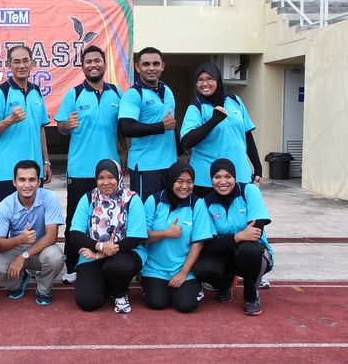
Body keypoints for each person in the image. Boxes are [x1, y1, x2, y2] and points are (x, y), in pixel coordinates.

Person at [55, 45, 124, 285]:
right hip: (80, 169)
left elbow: (122, 128)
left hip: (110, 171)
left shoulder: (117, 93)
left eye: (97, 60)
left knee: (112, 217)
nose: (93, 65)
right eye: (88, 61)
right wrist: (67, 125)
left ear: (104, 64)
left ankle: (110, 259)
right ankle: (72, 265)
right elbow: (60, 126)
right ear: (83, 66)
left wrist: (124, 154)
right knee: (76, 219)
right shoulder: (73, 94)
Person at [0, 45, 51, 242]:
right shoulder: (1, 93)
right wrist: (9, 120)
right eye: (16, 61)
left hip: (33, 172)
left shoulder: (37, 92)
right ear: (9, 65)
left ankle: (30, 259)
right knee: (1, 225)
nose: (21, 65)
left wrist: (46, 162)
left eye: (25, 61)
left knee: (34, 221)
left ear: (32, 63)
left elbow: (40, 128)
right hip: (7, 173)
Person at [192, 159, 273, 316]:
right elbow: (209, 244)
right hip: (225, 255)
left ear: (235, 177)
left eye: (228, 176)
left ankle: (251, 295)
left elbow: (256, 232)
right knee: (201, 266)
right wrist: (239, 236)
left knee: (247, 250)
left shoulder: (249, 191)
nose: (223, 182)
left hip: (254, 253)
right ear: (211, 180)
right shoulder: (205, 203)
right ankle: (225, 284)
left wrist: (226, 241)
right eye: (217, 177)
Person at [70, 159, 148, 314]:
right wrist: (100, 247)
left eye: (111, 177)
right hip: (92, 254)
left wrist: (101, 254)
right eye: (101, 178)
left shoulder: (132, 199)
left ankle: (120, 292)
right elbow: (75, 234)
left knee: (117, 267)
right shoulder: (88, 198)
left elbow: (135, 238)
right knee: (87, 301)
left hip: (125, 253)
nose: (106, 182)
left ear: (119, 177)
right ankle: (107, 284)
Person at [139, 161, 212, 313]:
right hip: (155, 268)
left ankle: (193, 287)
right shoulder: (154, 200)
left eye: (189, 182)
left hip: (183, 268)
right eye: (179, 181)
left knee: (186, 305)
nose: (185, 186)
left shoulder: (197, 204)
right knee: (157, 302)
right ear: (171, 180)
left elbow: (198, 242)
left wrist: (183, 273)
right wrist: (166, 233)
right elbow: (142, 237)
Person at [180, 63, 262, 197]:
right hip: (207, 179)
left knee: (241, 210)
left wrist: (258, 167)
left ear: (217, 80)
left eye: (209, 79)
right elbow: (186, 142)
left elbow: (247, 135)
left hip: (240, 174)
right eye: (200, 80)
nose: (204, 83)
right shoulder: (196, 107)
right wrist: (213, 121)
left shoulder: (235, 100)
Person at [0, 160, 65, 306]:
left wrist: (23, 257)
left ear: (39, 182)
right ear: (14, 182)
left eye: (32, 179)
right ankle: (18, 280)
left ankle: (43, 289)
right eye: (22, 180)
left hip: (42, 247)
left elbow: (51, 236)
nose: (27, 185)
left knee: (56, 257)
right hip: (16, 246)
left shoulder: (50, 198)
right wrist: (19, 240)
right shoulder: (5, 205)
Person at [119, 47, 183, 201]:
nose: (151, 68)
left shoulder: (167, 90)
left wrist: (181, 153)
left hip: (170, 165)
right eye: (146, 64)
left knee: (167, 209)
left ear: (162, 66)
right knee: (146, 212)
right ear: (137, 67)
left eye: (156, 64)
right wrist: (161, 127)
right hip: (145, 168)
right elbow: (126, 127)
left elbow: (171, 124)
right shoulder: (133, 94)